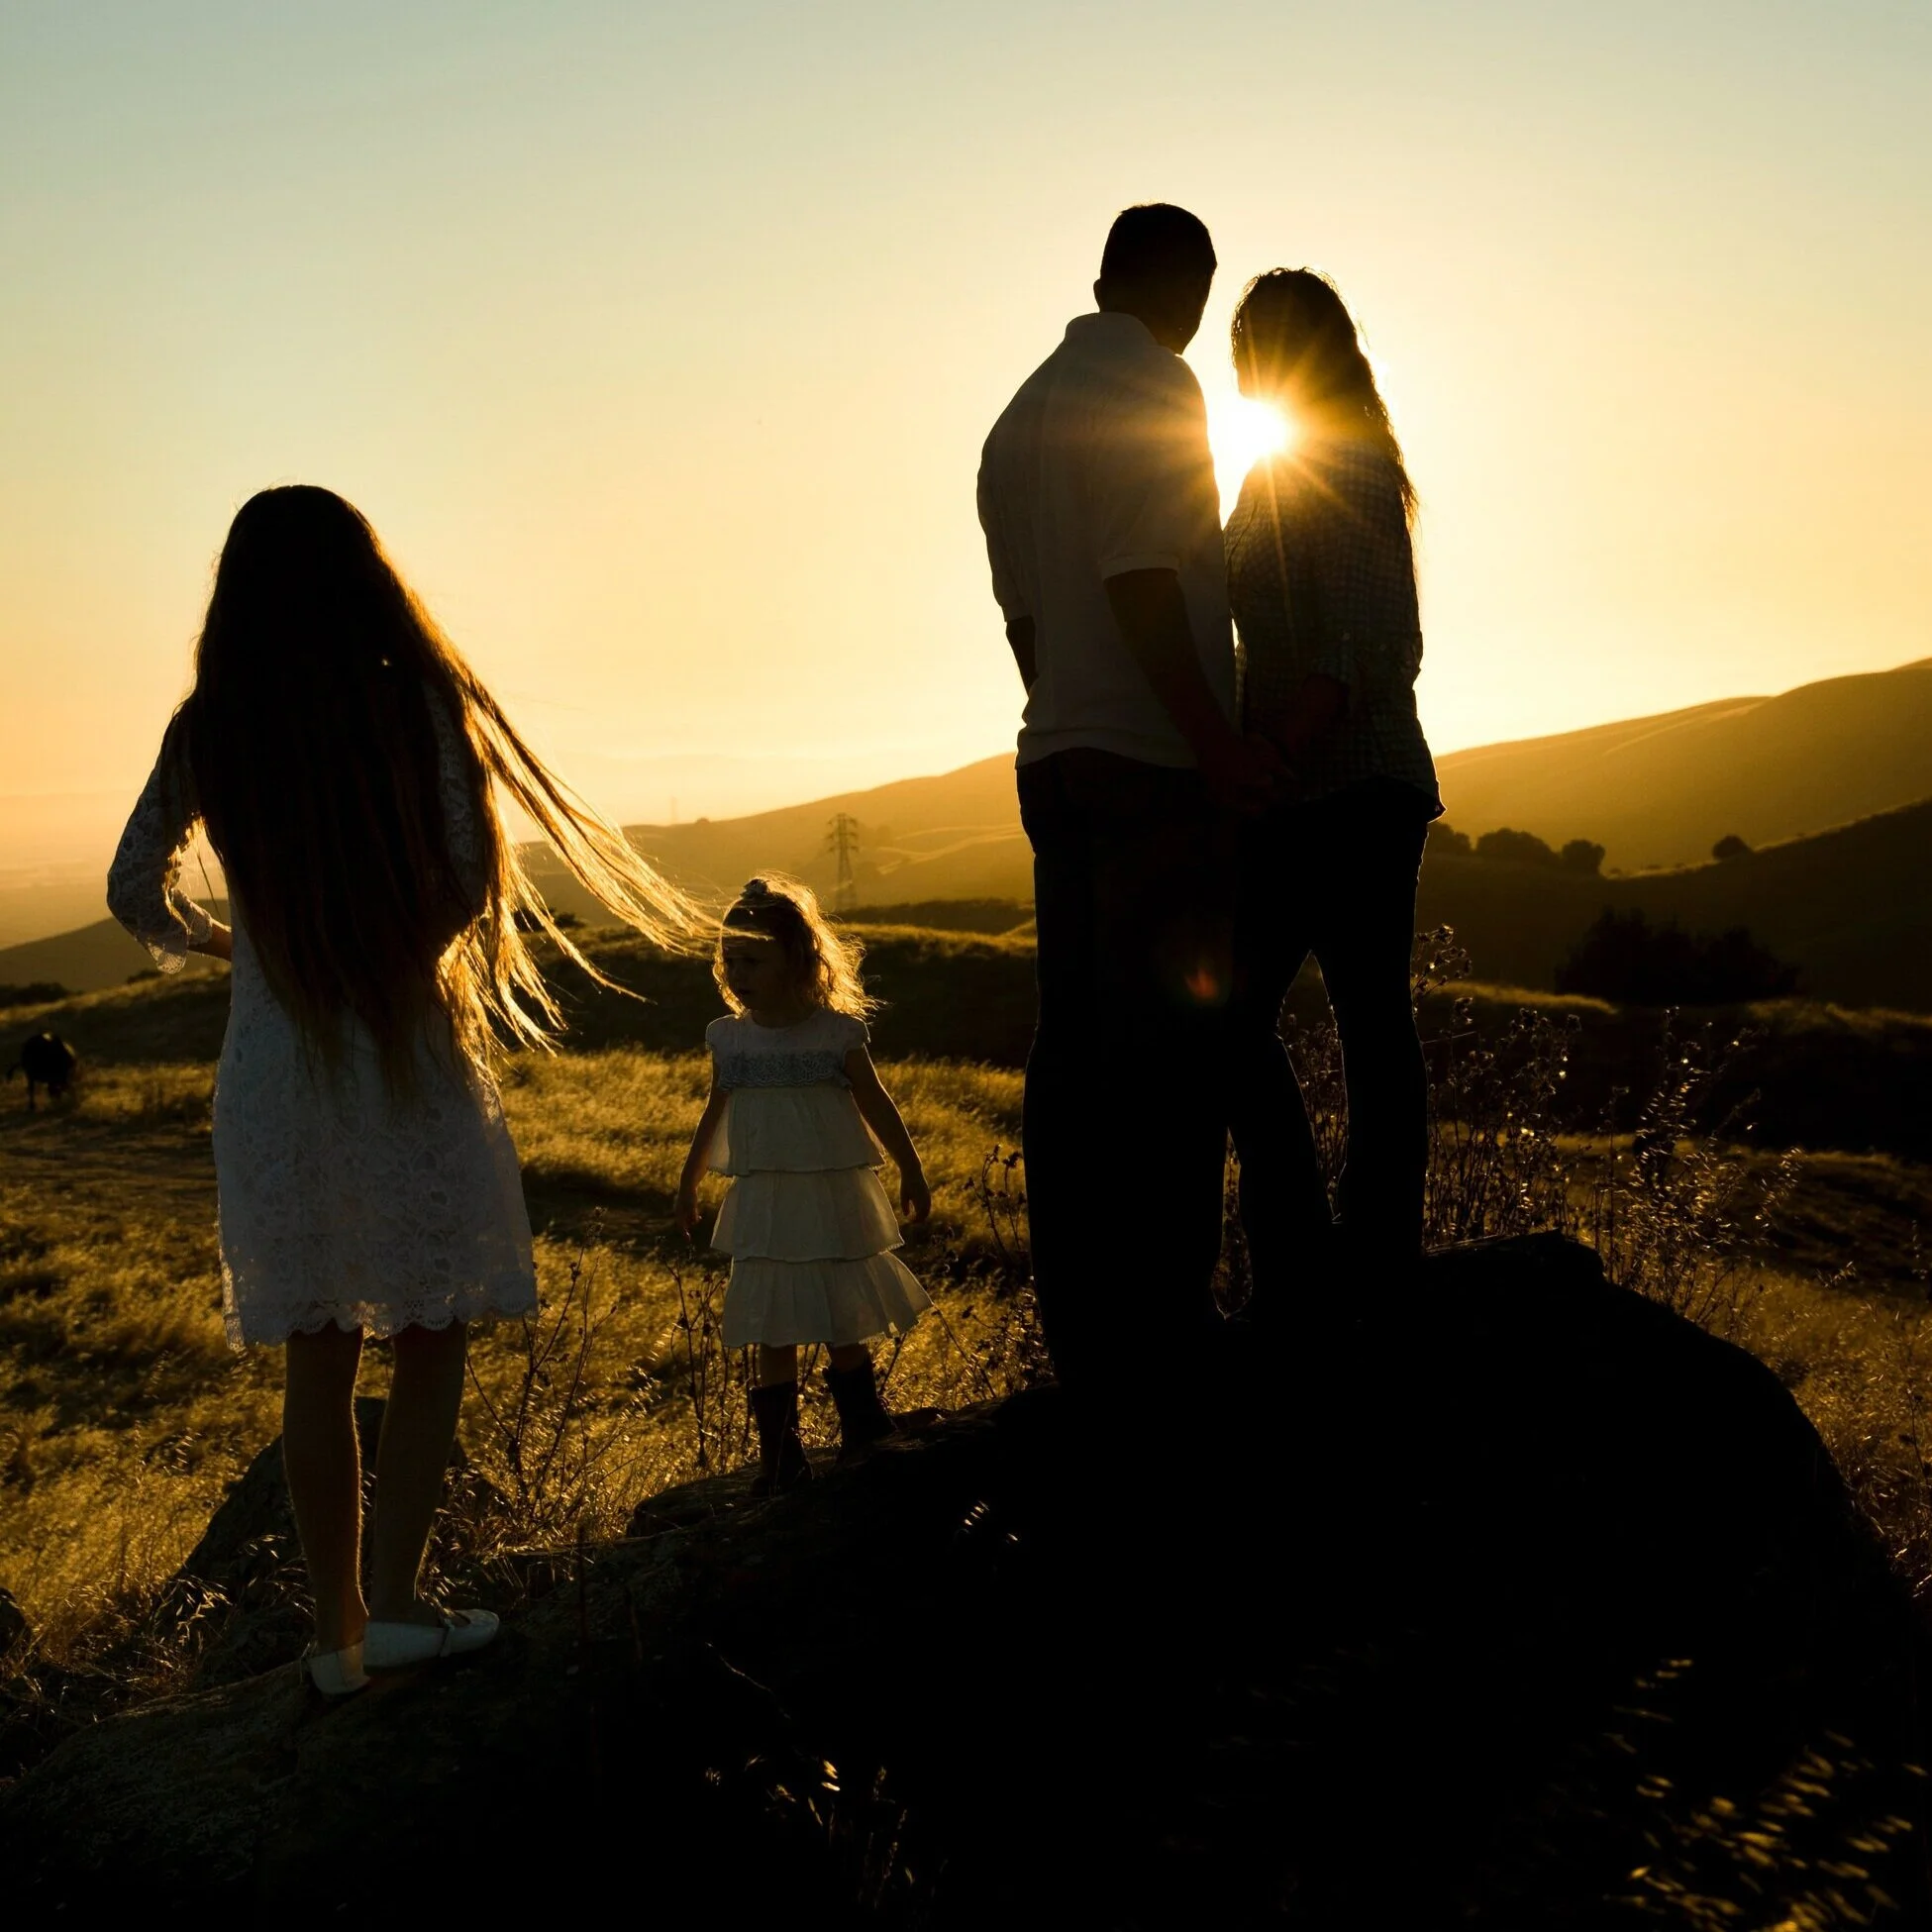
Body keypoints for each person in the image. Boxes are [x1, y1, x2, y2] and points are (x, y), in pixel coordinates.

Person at [107, 484, 694, 1696]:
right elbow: (471, 875)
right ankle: (405, 1602)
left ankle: (334, 1640)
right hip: (402, 1044)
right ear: (361, 576)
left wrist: (238, 946)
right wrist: (393, 952)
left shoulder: (211, 725)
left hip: (273, 1068)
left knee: (315, 1351)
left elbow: (132, 888)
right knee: (431, 1329)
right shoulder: (416, 699)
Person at [975, 202, 1277, 1383]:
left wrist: (1063, 719)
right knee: (1175, 1047)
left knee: (1076, 1054)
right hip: (1152, 767)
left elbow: (1026, 620)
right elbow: (1144, 579)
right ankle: (1167, 1317)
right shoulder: (1154, 383)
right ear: (1181, 283)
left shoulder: (1016, 418)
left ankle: (1084, 1325)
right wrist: (1212, 742)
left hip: (1055, 759)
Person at [1220, 269, 1442, 1292]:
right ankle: (1309, 1249)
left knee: (1361, 1016)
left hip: (1351, 786)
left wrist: (1273, 753)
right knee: (1239, 1017)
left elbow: (1370, 644)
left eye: (1261, 346)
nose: (1248, 366)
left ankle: (1367, 1250)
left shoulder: (1344, 464)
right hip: (1294, 789)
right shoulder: (1271, 469)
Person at [675, 875, 933, 1492]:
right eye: (730, 960)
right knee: (771, 1320)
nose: (738, 974)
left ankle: (864, 1428)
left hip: (832, 1194)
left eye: (753, 960)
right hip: (766, 1200)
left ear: (798, 959)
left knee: (843, 1309)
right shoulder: (730, 1038)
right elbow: (715, 1110)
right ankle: (780, 1457)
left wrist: (911, 1165)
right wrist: (688, 1183)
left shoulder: (834, 1034)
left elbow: (876, 1102)